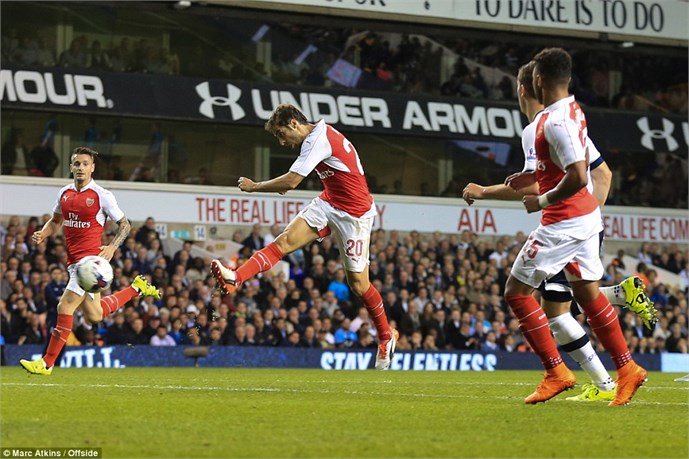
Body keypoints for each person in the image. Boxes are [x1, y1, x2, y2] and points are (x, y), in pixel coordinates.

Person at [462, 61, 657, 402]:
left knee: (519, 294)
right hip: (588, 220)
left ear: (526, 87)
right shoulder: (574, 113)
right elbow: (596, 174)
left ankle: (559, 372)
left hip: (562, 222)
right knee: (582, 297)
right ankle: (624, 368)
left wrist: (489, 192)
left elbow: (568, 178)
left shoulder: (544, 125)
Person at [210, 104, 398, 369]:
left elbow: (290, 182)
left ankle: (386, 336)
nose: (282, 141)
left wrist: (255, 187)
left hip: (355, 215)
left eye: (281, 134)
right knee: (284, 241)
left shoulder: (318, 139)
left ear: (293, 124)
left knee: (358, 285)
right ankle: (235, 277)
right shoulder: (319, 136)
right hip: (329, 202)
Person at [19, 146, 160, 375]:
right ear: (71, 167)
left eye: (85, 164)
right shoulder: (64, 193)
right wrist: (43, 233)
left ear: (92, 168)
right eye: (77, 163)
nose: (81, 167)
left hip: (90, 265)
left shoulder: (102, 195)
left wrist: (113, 247)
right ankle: (136, 287)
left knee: (64, 306)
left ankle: (46, 363)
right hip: (74, 262)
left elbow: (125, 224)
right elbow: (55, 221)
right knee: (95, 315)